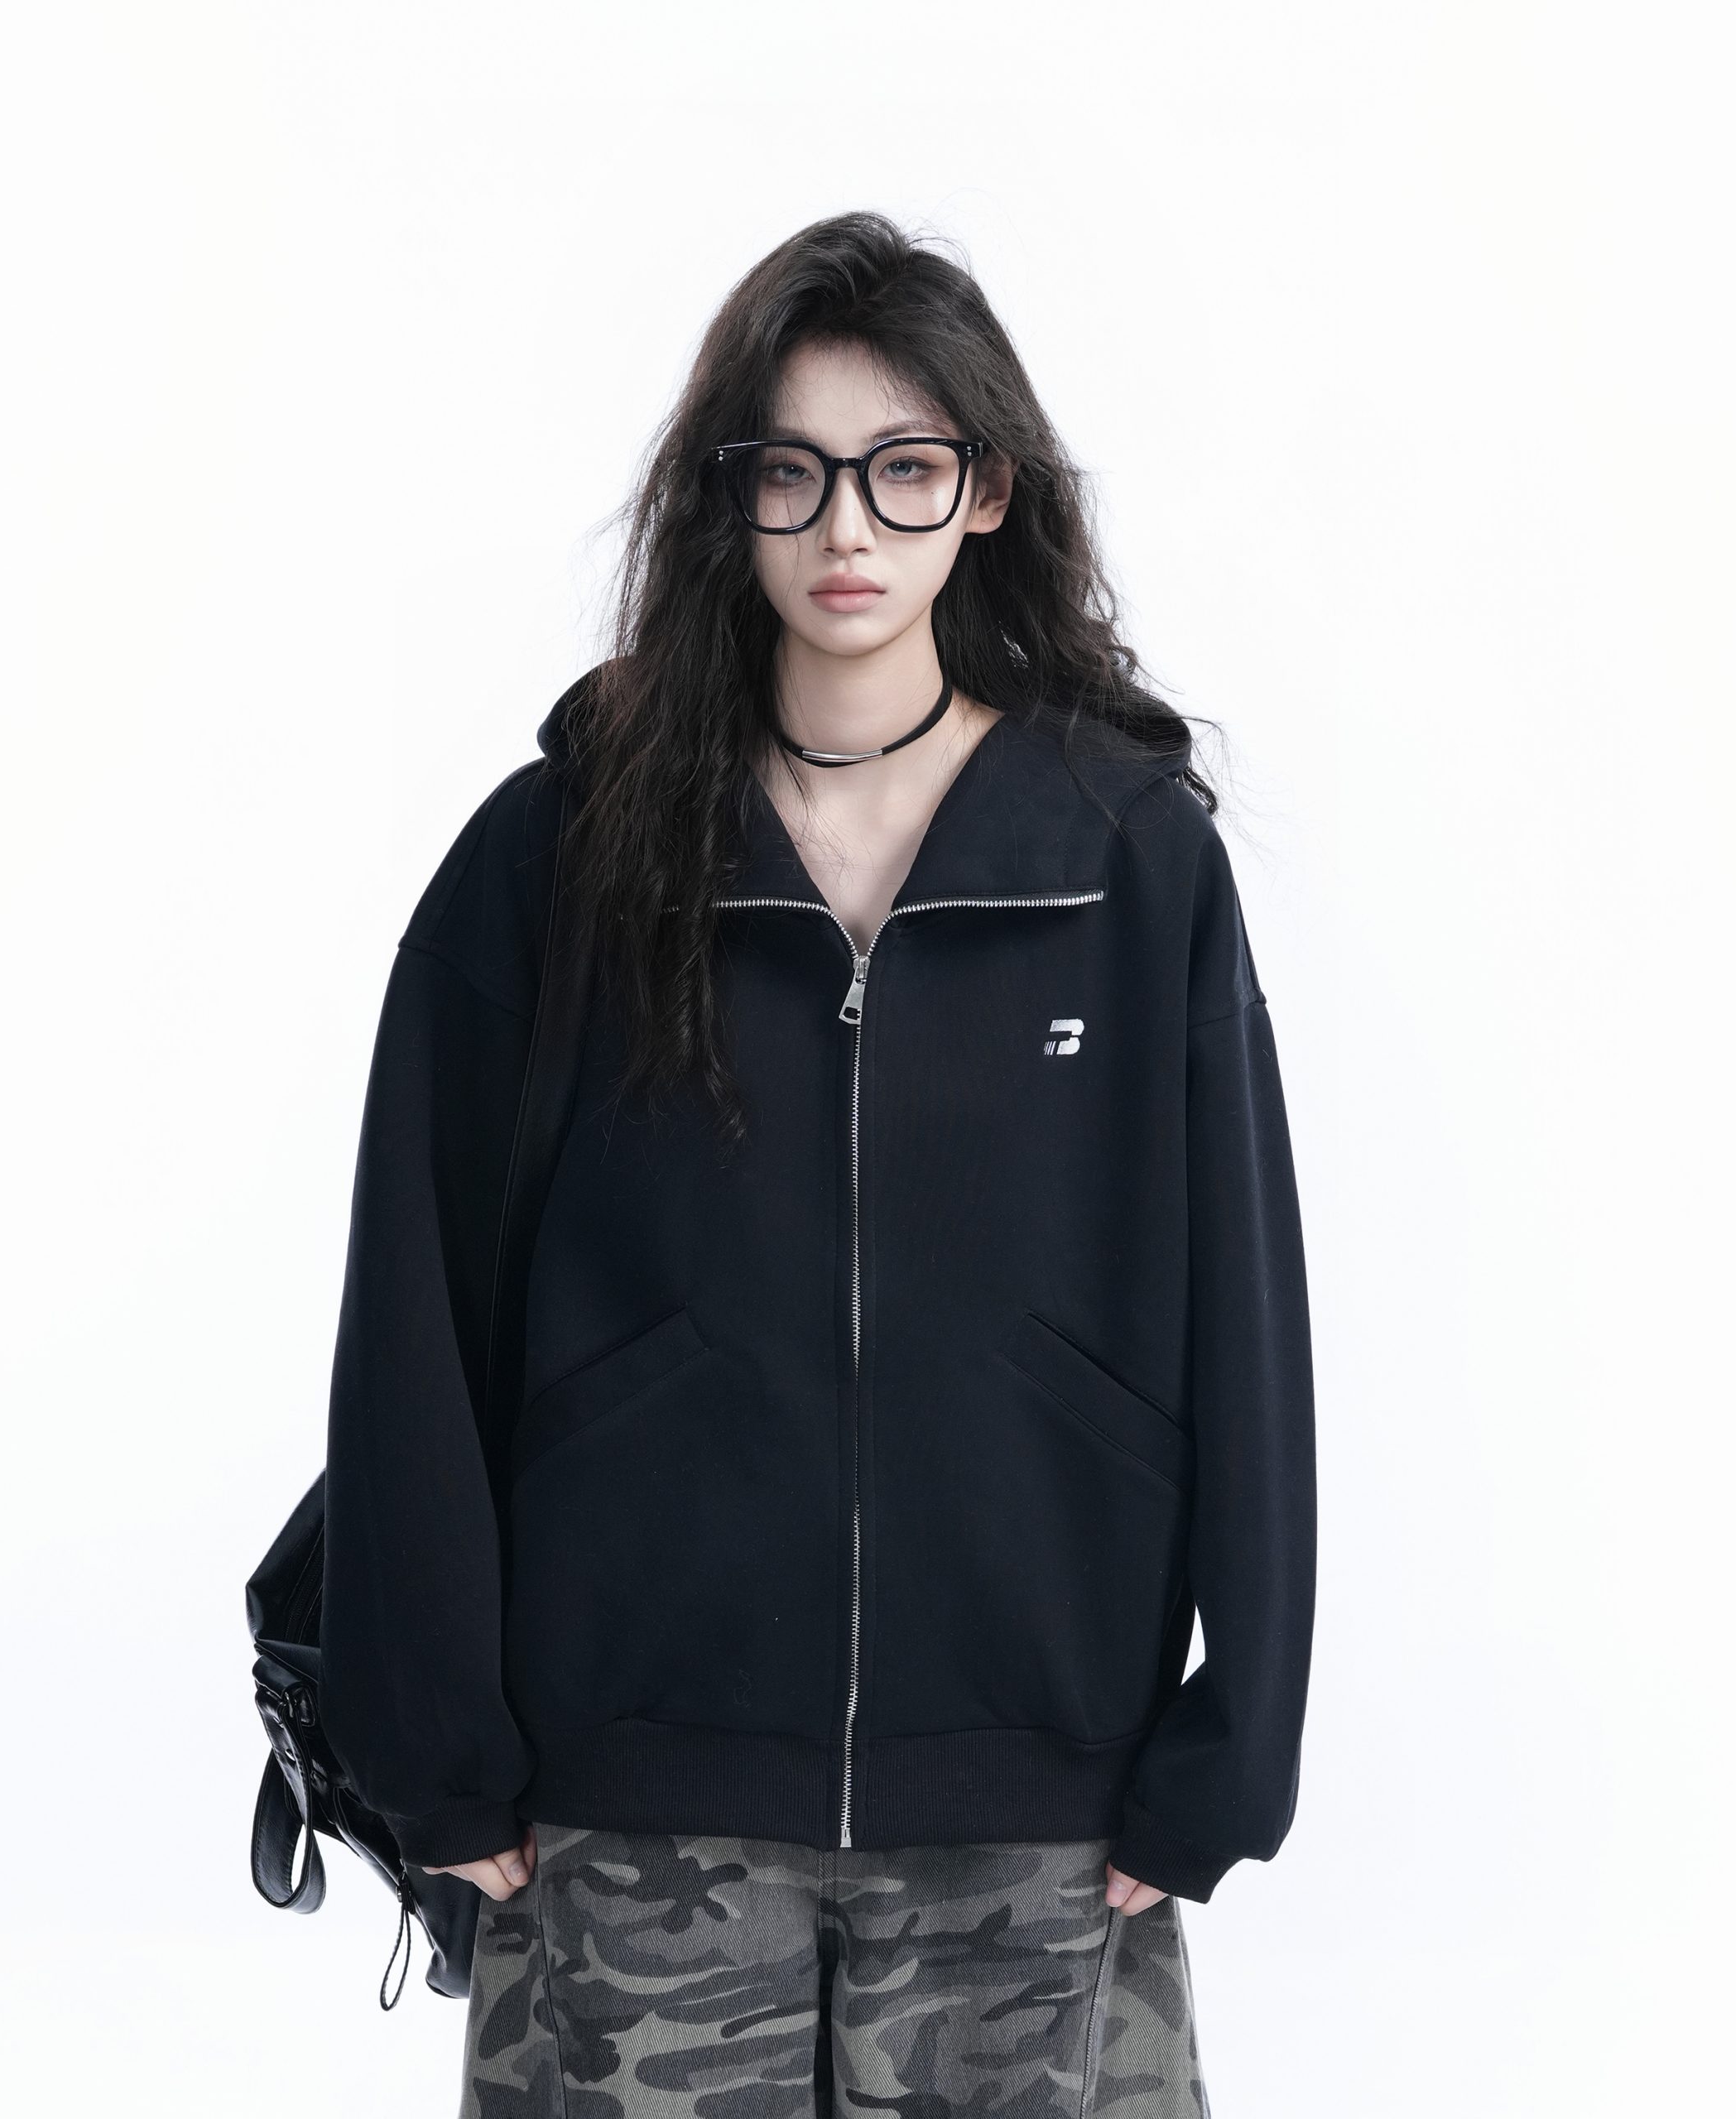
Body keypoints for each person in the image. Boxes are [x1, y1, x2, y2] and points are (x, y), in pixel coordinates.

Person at [319, 211, 1317, 2117]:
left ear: (985, 491)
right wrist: (430, 1738)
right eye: (792, 471)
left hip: (1034, 1799)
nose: (845, 526)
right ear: (730, 494)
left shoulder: (1123, 863)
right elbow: (412, 1310)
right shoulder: (560, 857)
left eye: (900, 468)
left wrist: (1234, 1734)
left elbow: (1241, 1313)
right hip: (629, 1798)